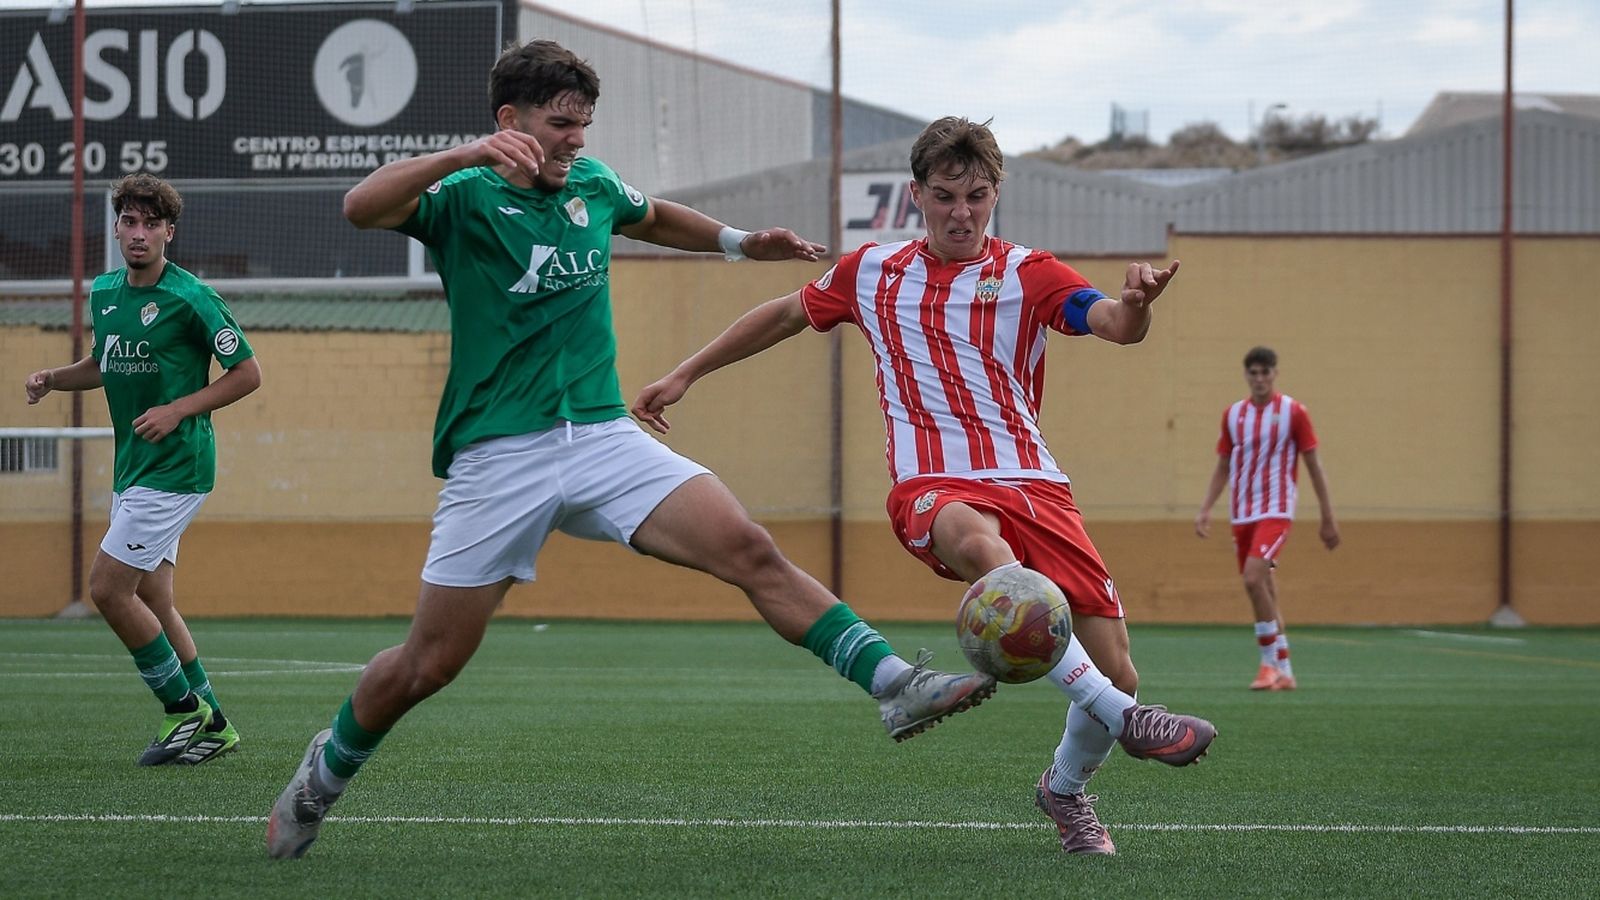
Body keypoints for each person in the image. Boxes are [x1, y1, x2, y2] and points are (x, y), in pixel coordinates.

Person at [266, 41, 994, 860]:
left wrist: (740, 242)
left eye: (584, 123)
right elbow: (360, 207)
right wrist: (465, 154)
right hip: (500, 455)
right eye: (559, 123)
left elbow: (650, 216)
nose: (576, 138)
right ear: (509, 121)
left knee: (748, 547)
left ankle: (895, 685)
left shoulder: (591, 183)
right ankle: (324, 773)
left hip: (605, 436)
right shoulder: (463, 196)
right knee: (427, 665)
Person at [633, 117, 1217, 856]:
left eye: (976, 197)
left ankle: (1065, 789)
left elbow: (1112, 324)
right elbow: (783, 314)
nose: (961, 214)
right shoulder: (871, 272)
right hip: (932, 484)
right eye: (945, 196)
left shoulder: (1029, 273)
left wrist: (1136, 305)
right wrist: (684, 373)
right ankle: (1128, 719)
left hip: (1036, 486)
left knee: (1120, 669)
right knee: (979, 545)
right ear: (916, 195)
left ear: (996, 193)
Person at [24, 173, 262, 766]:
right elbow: (105, 363)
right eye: (129, 221)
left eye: (151, 224)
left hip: (176, 468)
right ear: (116, 229)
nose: (139, 233)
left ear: (168, 233)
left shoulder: (192, 297)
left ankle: (183, 710)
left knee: (108, 589)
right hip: (135, 468)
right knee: (153, 593)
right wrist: (54, 379)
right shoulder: (105, 292)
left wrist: (179, 408)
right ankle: (216, 724)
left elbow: (247, 374)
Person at [1194, 346, 1339, 691]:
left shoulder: (1293, 412)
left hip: (1276, 509)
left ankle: (1268, 664)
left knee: (1252, 578)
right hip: (1242, 513)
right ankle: (1285, 670)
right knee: (1265, 587)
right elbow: (1224, 464)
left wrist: (1327, 517)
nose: (1259, 379)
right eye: (1253, 373)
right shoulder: (1233, 415)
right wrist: (1206, 508)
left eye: (1265, 372)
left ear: (1275, 374)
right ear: (1246, 375)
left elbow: (1314, 466)